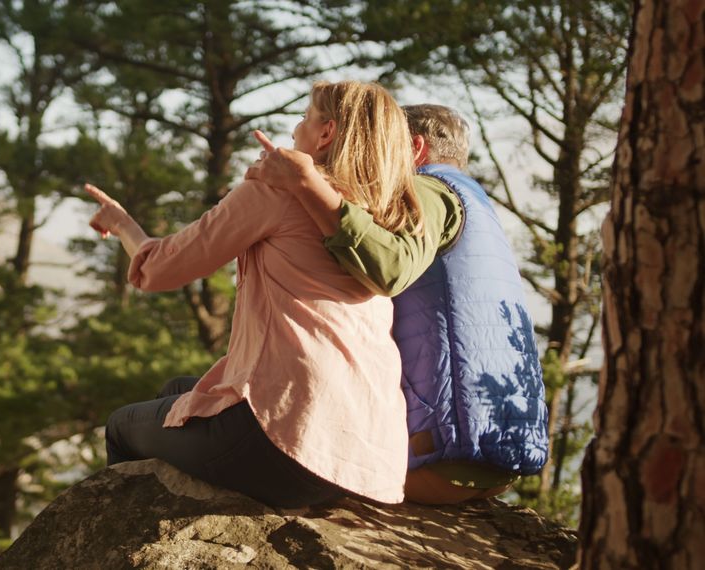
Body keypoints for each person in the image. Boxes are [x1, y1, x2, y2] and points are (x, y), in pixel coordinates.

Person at [84, 81, 422, 508]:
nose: (295, 129)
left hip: (291, 442)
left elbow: (162, 268)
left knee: (121, 426)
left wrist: (123, 225)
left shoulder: (278, 189)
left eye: (304, 117)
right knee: (177, 390)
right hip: (370, 459)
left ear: (327, 132)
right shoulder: (389, 213)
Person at [245, 104, 548, 504]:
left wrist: (305, 184)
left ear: (416, 149)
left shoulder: (428, 190)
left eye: (385, 143)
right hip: (492, 454)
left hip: (441, 455)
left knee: (245, 435)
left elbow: (391, 266)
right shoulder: (477, 206)